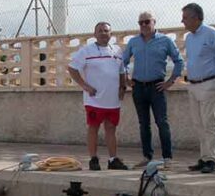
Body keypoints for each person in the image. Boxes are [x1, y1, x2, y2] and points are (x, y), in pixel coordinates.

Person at [121, 11, 184, 170]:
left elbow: (178, 61)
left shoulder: (165, 41)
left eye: (147, 22)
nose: (144, 25)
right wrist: (126, 79)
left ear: (154, 22)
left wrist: (170, 82)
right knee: (144, 124)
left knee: (162, 122)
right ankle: (146, 156)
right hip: (139, 87)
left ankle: (167, 158)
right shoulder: (134, 42)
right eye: (140, 22)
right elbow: (123, 61)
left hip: (157, 87)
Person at [68, 21, 129, 171]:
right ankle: (93, 159)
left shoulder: (117, 51)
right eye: (100, 31)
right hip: (94, 99)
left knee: (111, 128)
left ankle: (113, 159)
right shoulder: (86, 51)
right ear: (95, 34)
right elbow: (72, 68)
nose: (103, 33)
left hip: (113, 100)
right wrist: (85, 86)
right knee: (93, 128)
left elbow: (122, 71)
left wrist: (122, 86)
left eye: (106, 31)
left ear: (110, 34)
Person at [180, 2, 215, 174]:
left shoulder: (212, 34)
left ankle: (211, 159)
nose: (183, 21)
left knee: (209, 122)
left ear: (196, 18)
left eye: (186, 17)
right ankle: (203, 157)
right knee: (198, 123)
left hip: (210, 83)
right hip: (194, 84)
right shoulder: (189, 38)